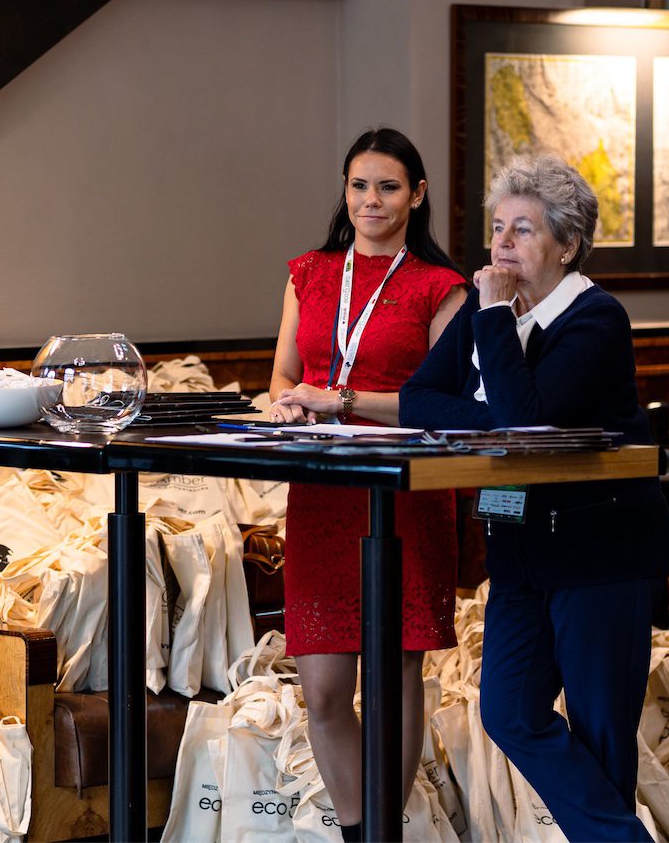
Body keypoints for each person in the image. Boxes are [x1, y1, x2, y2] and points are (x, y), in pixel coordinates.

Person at [399, 154, 669, 842]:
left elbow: (525, 419)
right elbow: (416, 398)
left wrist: (494, 321)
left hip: (599, 553)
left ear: (568, 244)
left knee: (602, 729)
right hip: (518, 551)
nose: (503, 244)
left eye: (522, 229)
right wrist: (496, 409)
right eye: (497, 228)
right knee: (509, 711)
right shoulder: (486, 308)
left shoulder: (594, 319)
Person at [269, 127, 466, 839]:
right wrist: (290, 403)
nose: (370, 200)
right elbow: (283, 376)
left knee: (393, 677)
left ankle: (382, 831)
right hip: (320, 489)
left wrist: (343, 399)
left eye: (387, 186)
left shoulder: (441, 287)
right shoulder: (308, 273)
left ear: (416, 194)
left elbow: (444, 404)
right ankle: (364, 830)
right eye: (359, 186)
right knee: (322, 692)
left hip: (403, 491)